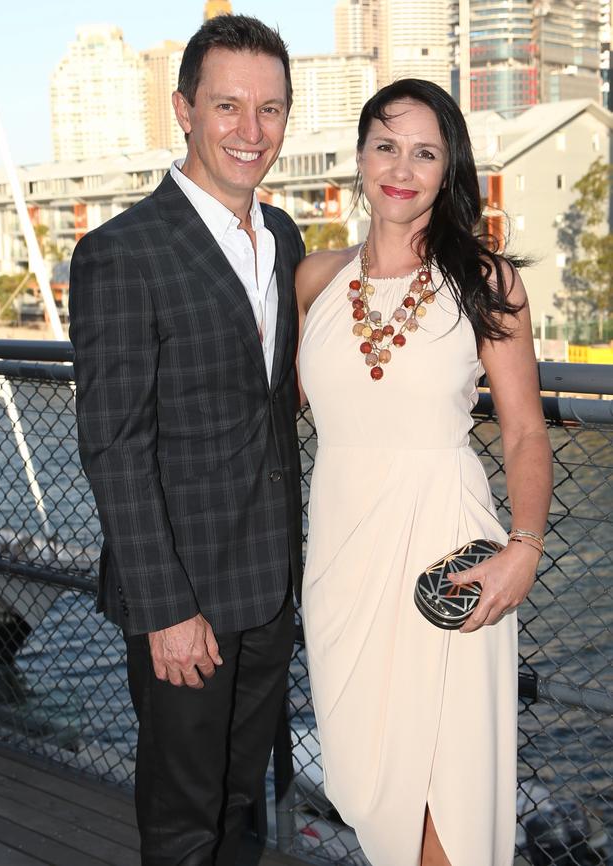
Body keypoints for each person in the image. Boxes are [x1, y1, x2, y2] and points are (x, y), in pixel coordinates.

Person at [296, 78, 553, 866]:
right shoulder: (313, 281)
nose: (402, 167)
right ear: (361, 159)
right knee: (371, 794)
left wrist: (524, 547)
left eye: (425, 151)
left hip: (447, 559)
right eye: (386, 145)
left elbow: (524, 435)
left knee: (446, 794)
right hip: (341, 562)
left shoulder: (486, 282)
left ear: (449, 170)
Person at [69, 15, 304, 865]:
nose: (252, 132)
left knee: (245, 804)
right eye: (228, 106)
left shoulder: (282, 238)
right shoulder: (120, 253)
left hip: (271, 588)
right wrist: (166, 609)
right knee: (180, 819)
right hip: (186, 603)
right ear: (185, 110)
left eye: (271, 109)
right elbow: (114, 446)